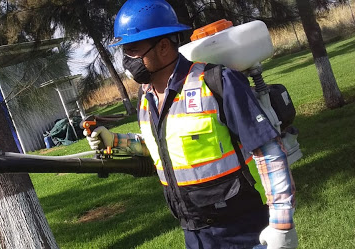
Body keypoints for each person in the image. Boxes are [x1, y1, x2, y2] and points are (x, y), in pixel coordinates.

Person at [84, 0, 298, 248]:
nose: (127, 60)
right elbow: (164, 146)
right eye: (125, 51)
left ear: (163, 46)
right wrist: (116, 141)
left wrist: (282, 223)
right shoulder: (147, 96)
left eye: (133, 49)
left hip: (240, 228)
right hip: (194, 232)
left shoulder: (215, 81)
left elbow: (268, 150)